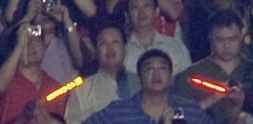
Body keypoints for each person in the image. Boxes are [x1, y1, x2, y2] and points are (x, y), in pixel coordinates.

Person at [84, 50, 213, 124]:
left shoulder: (191, 111)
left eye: (162, 68)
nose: (156, 74)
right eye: (149, 69)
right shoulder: (117, 111)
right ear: (139, 77)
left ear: (170, 76)